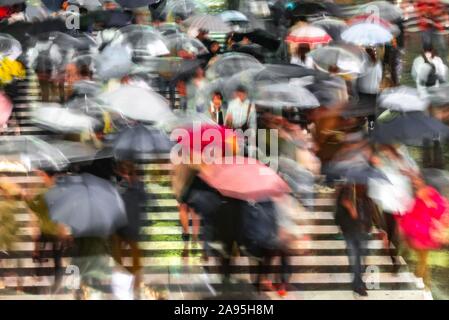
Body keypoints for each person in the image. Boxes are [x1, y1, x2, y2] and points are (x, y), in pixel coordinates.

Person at [397, 173, 449, 296]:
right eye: (414, 180)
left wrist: (432, 205)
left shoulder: (431, 193)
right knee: (420, 257)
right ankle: (422, 284)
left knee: (423, 258)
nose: (415, 182)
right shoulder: (410, 195)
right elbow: (404, 212)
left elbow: (440, 208)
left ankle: (424, 286)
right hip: (414, 229)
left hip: (424, 232)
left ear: (423, 181)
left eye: (418, 180)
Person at [111, 161, 148, 298]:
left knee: (134, 256)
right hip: (123, 227)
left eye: (129, 172)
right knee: (120, 256)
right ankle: (125, 282)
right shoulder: (120, 186)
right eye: (125, 172)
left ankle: (136, 284)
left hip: (130, 226)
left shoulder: (135, 186)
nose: (127, 175)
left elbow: (144, 200)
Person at [335, 183, 376, 296]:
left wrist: (373, 227)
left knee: (360, 261)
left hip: (363, 234)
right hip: (351, 234)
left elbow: (371, 213)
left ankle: (357, 282)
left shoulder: (367, 197)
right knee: (355, 260)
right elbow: (337, 218)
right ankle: (358, 286)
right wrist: (349, 209)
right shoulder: (345, 194)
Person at [356, 47, 383, 131]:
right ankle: (371, 128)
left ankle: (361, 129)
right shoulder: (377, 64)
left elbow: (357, 78)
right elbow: (379, 77)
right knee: (372, 113)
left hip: (362, 91)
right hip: (374, 92)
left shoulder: (361, 64)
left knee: (362, 112)